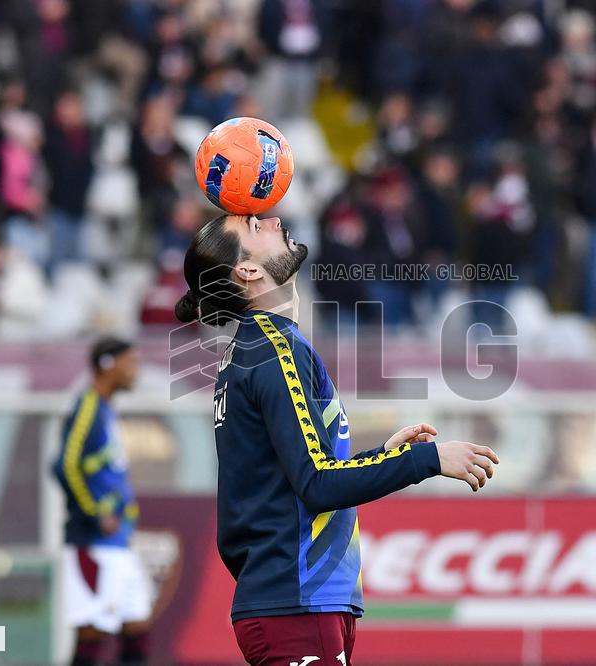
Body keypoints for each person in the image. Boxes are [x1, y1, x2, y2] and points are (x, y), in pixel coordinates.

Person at [173, 214, 500, 666]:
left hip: (297, 601)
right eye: (254, 227)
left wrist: (385, 456)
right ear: (247, 271)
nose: (273, 218)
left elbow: (295, 474)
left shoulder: (258, 347)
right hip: (297, 602)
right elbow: (318, 483)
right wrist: (426, 459)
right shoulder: (273, 350)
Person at [51, 338, 151, 666]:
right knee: (91, 634)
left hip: (117, 542)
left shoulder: (105, 409)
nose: (135, 371)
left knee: (137, 628)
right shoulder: (88, 407)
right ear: (108, 364)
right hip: (93, 542)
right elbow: (65, 464)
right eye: (130, 362)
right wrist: (96, 514)